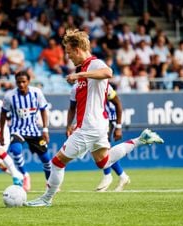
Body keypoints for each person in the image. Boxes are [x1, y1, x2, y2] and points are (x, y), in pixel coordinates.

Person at [26, 29, 164, 207]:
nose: (68, 57)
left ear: (77, 49)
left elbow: (108, 72)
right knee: (104, 161)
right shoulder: (84, 69)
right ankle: (140, 139)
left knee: (57, 162)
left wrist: (79, 75)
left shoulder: (93, 63)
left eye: (69, 52)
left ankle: (46, 199)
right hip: (98, 125)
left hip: (89, 126)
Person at [0, 71, 51, 192]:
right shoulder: (9, 96)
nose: (21, 84)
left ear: (28, 81)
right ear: (15, 82)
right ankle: (25, 175)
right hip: (17, 130)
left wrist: (45, 129)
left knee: (46, 159)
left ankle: (50, 183)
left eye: (24, 82)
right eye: (19, 82)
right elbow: (3, 114)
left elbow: (43, 110)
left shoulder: (36, 93)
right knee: (15, 150)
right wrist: (2, 133)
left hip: (34, 131)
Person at [95, 84, 130, 192]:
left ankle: (108, 176)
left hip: (108, 119)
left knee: (103, 148)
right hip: (96, 121)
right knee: (100, 149)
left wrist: (119, 126)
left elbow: (118, 103)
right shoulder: (81, 86)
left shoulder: (103, 83)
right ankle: (122, 176)